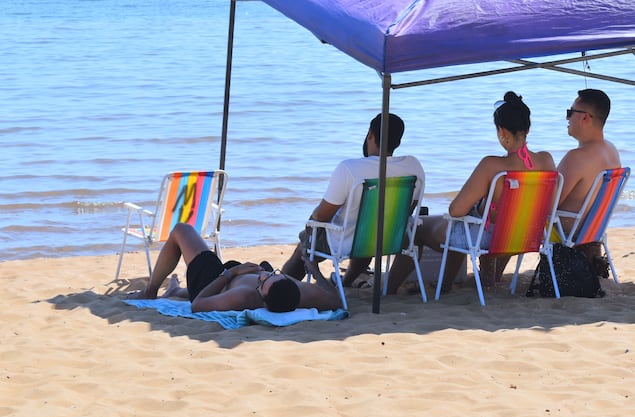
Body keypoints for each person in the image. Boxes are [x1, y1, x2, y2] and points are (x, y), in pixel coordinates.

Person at [386, 91, 556, 293]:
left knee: (415, 229)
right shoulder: (546, 160)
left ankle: (389, 291)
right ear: (528, 128)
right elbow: (549, 205)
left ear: (501, 131)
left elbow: (456, 210)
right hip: (526, 235)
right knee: (462, 222)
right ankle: (446, 285)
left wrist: (475, 205)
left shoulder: (492, 165)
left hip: (489, 240)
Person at [281, 113, 425, 288]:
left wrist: (309, 229)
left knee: (308, 240)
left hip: (346, 243)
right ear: (398, 142)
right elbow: (407, 210)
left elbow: (321, 216)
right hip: (389, 239)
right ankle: (348, 282)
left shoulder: (349, 169)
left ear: (370, 134)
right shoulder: (413, 166)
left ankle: (282, 284)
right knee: (369, 229)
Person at [127, 223, 343, 312]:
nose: (265, 275)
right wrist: (314, 271)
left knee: (181, 230)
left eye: (264, 281)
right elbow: (336, 300)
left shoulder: (243, 296)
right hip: (235, 277)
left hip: (214, 281)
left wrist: (231, 273)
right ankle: (175, 291)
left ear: (261, 295)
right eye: (274, 274)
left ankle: (150, 291)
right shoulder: (302, 293)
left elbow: (198, 304)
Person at [556, 88, 622, 275]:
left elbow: (548, 205)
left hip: (566, 232)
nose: (567, 118)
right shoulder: (611, 150)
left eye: (570, 112)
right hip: (591, 231)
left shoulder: (577, 158)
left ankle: (489, 281)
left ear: (585, 118)